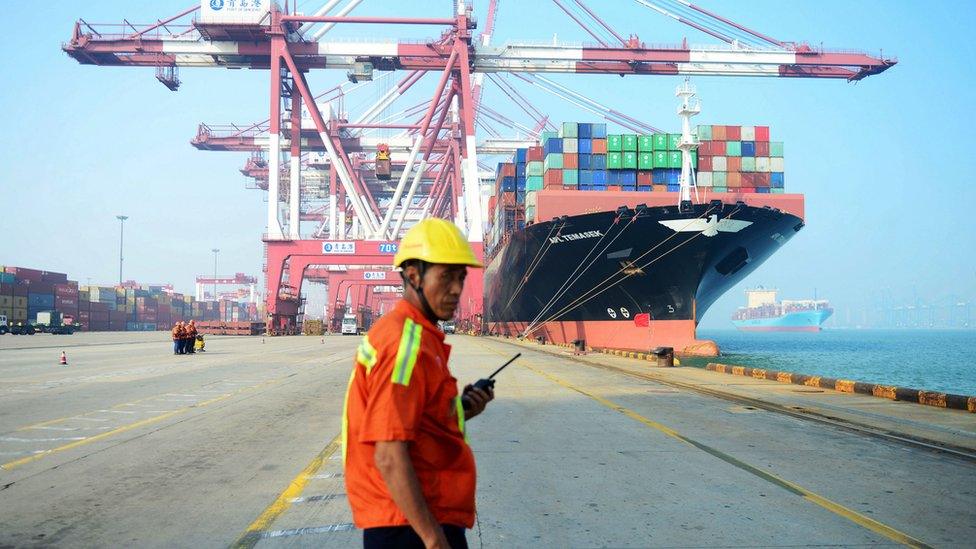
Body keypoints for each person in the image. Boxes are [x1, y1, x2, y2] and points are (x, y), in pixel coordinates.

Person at [343, 218, 493, 549]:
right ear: (413, 275)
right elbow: (389, 454)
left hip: (418, 516)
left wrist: (462, 409)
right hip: (410, 525)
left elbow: (418, 422)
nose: (456, 289)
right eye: (445, 277)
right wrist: (432, 538)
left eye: (461, 278)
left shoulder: (420, 338)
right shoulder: (403, 344)